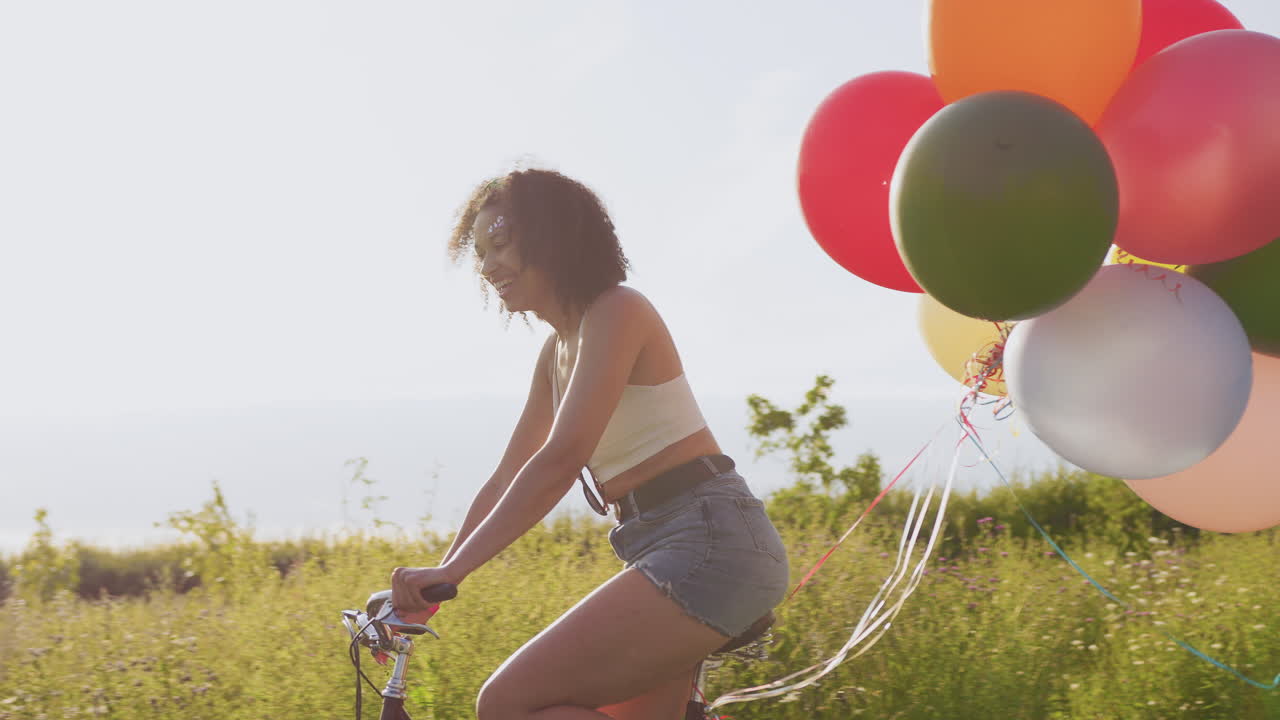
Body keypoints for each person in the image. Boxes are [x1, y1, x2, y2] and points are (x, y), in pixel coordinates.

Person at [391, 168, 789, 719]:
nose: (487, 267)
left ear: (552, 237)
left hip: (710, 538)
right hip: (662, 542)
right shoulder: (555, 354)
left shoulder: (618, 310)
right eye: (479, 253)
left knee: (507, 706)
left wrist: (453, 574)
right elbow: (510, 474)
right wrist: (440, 577)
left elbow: (561, 457)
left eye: (500, 245)